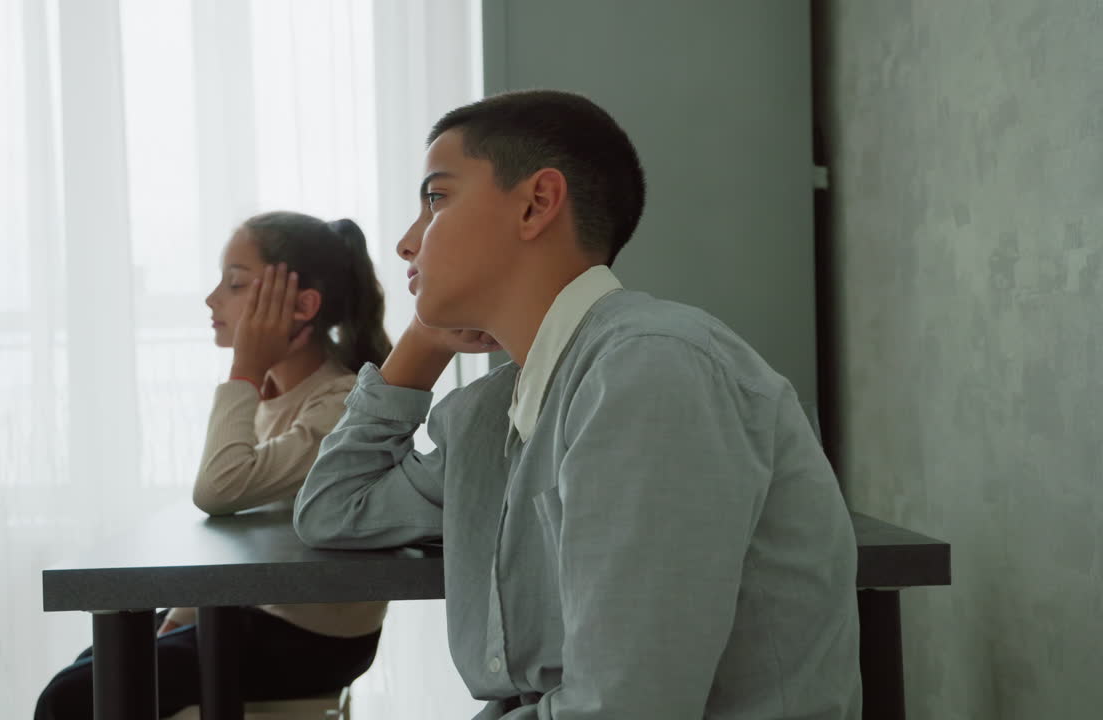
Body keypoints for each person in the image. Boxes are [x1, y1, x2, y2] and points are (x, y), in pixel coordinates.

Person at [293, 90, 862, 719]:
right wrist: (422, 345)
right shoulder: (497, 410)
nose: (407, 242)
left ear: (536, 204)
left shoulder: (651, 370)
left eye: (436, 199)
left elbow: (623, 708)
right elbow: (334, 511)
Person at [35, 211, 390, 719]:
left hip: (311, 638)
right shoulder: (276, 398)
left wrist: (244, 367)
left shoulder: (338, 405)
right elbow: (235, 525)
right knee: (93, 670)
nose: (211, 300)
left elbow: (220, 488)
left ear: (303, 306)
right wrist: (182, 616)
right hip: (247, 613)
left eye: (236, 284)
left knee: (71, 699)